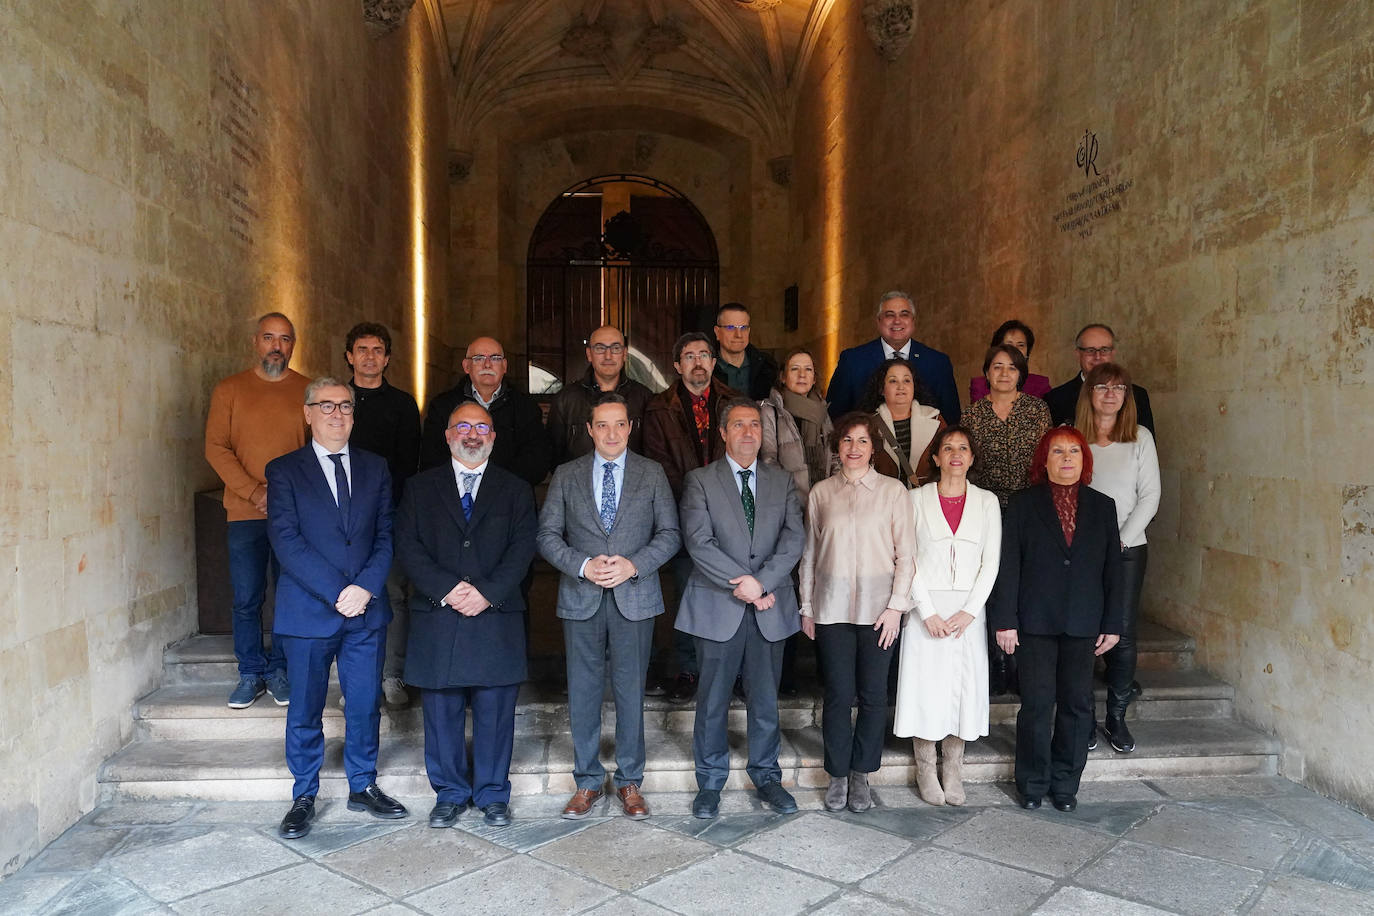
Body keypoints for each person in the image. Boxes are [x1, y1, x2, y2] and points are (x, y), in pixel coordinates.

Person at [266, 378, 406, 839]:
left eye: (345, 405)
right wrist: (338, 591)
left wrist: (364, 588)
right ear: (307, 413)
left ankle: (362, 785)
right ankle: (304, 794)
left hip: (366, 609)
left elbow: (386, 535)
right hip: (309, 611)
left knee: (364, 703)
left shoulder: (376, 467)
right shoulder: (284, 470)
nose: (337, 413)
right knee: (305, 707)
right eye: (326, 405)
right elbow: (287, 542)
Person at [537, 394, 681, 820]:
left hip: (634, 596)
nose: (612, 433)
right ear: (589, 429)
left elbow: (670, 534)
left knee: (630, 690)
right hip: (582, 596)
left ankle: (630, 781)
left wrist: (633, 564)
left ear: (630, 428)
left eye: (620, 424)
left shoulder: (652, 474)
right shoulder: (566, 475)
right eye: (603, 425)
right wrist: (582, 565)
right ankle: (586, 781)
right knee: (583, 691)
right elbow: (547, 536)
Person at [395, 403, 538, 829]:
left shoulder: (515, 489)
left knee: (495, 710)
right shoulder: (419, 488)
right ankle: (451, 793)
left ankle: (493, 793)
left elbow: (523, 549)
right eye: (463, 426)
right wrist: (448, 589)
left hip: (495, 614)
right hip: (439, 612)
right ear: (447, 435)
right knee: (441, 711)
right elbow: (408, 546)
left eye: (481, 426)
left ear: (493, 436)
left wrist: (487, 594)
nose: (472, 434)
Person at [677, 398, 805, 819]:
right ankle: (710, 782)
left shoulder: (781, 480)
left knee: (765, 700)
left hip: (770, 607)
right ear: (723, 432)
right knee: (712, 699)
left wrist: (763, 582)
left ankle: (767, 776)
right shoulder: (699, 480)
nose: (748, 432)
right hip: (718, 605)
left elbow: (793, 538)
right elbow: (698, 541)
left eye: (754, 425)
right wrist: (747, 586)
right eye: (738, 425)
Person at [991, 427, 1125, 813]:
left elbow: (1113, 570)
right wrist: (1005, 621)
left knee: (1077, 705)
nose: (1066, 458)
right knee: (1035, 704)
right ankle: (1032, 782)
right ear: (1044, 460)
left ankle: (1065, 783)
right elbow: (1009, 565)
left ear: (1084, 460)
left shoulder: (1103, 506)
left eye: (1074, 452)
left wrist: (1112, 624)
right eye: (1057, 452)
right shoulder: (1021, 505)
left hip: (1084, 621)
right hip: (1034, 621)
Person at [798, 413, 913, 813]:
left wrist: (897, 607)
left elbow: (907, 556)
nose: (854, 448)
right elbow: (809, 554)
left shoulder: (894, 492)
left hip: (880, 610)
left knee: (873, 695)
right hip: (831, 610)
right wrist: (807, 606)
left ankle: (862, 772)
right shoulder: (821, 493)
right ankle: (838, 774)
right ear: (837, 445)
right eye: (847, 440)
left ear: (873, 447)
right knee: (838, 695)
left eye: (862, 441)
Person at [204, 313, 309, 709]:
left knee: (289, 594)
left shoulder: (306, 390)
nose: (276, 346)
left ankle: (279, 669)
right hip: (244, 512)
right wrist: (253, 492)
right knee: (247, 596)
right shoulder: (229, 390)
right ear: (255, 342)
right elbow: (215, 447)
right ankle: (250, 671)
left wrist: (281, 496)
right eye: (269, 337)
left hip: (292, 515)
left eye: (284, 339)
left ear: (293, 345)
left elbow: (314, 452)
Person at [893, 427, 1001, 807]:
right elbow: (907, 558)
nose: (956, 454)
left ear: (972, 458)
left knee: (962, 691)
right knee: (926, 688)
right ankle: (925, 767)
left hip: (967, 613)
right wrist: (927, 611)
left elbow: (991, 563)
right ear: (935, 457)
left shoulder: (987, 503)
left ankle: (953, 768)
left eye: (964, 448)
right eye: (948, 448)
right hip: (926, 609)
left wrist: (970, 612)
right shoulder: (914, 499)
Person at [642, 332, 743, 702]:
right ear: (676, 365)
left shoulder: (735, 403)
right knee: (688, 592)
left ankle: (730, 670)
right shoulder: (658, 408)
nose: (697, 362)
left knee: (731, 591)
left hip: (731, 515)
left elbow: (746, 453)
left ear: (714, 362)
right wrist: (695, 502)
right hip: (682, 512)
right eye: (689, 356)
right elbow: (658, 464)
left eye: (704, 355)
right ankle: (687, 669)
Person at [1076, 363, 1160, 754]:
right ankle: (1084, 717)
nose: (1110, 394)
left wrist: (1120, 541)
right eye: (1102, 386)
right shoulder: (1073, 437)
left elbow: (1150, 496)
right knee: (1083, 631)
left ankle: (1116, 716)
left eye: (1119, 387)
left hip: (1128, 549)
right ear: (1089, 392)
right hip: (1080, 552)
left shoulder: (1139, 437)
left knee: (1122, 635)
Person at [345, 322, 422, 708]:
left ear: (388, 358)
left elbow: (410, 465)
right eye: (362, 349)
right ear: (349, 356)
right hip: (341, 519)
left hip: (389, 514)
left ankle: (393, 674)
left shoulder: (403, 404)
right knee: (345, 595)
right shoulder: (337, 401)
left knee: (393, 594)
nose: (370, 357)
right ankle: (356, 679)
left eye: (377, 350)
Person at [419, 336, 552, 486]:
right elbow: (431, 460)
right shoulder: (442, 406)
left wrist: (493, 488)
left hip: (509, 499)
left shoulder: (526, 407)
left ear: (504, 366)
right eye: (479, 358)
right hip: (454, 498)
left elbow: (536, 463)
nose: (487, 364)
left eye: (495, 358)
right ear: (466, 366)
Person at [825, 290, 960, 424]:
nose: (897, 321)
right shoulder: (852, 361)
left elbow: (951, 419)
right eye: (889, 315)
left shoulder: (938, 363)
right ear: (878, 321)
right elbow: (834, 417)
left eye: (904, 314)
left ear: (913, 321)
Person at [545, 325, 654, 466]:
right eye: (600, 348)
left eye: (615, 348)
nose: (608, 356)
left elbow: (652, 453)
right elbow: (554, 455)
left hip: (634, 485)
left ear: (625, 353)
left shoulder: (644, 398)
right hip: (580, 485)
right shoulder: (565, 400)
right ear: (589, 354)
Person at [965, 344, 1053, 509]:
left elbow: (1048, 456)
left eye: (1012, 368)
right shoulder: (972, 414)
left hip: (1032, 501)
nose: (1004, 374)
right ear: (987, 373)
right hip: (985, 503)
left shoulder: (1037, 409)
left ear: (1020, 375)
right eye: (997, 367)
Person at [1046, 324, 1155, 433]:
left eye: (1104, 350)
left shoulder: (1137, 395)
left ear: (1113, 353)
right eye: (1090, 350)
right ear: (1078, 354)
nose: (1097, 357)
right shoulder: (1056, 398)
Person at [759, 347, 834, 502]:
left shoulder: (821, 410)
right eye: (795, 369)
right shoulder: (769, 410)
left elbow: (834, 455)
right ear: (783, 377)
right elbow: (769, 460)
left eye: (808, 369)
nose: (802, 375)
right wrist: (790, 500)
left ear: (814, 378)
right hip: (789, 503)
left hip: (823, 501)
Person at [863, 358, 944, 489]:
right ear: (882, 389)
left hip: (925, 501)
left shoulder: (935, 419)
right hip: (884, 501)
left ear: (914, 386)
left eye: (906, 380)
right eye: (893, 381)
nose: (901, 387)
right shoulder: (867, 425)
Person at [968, 319, 1052, 402]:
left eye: (1021, 345)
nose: (1015, 350)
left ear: (1027, 352)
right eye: (1009, 345)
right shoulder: (979, 385)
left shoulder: (1040, 384)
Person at [712, 302, 779, 401]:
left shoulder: (767, 365)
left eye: (743, 328)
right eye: (730, 328)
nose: (738, 335)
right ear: (717, 332)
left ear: (749, 331)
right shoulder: (708, 369)